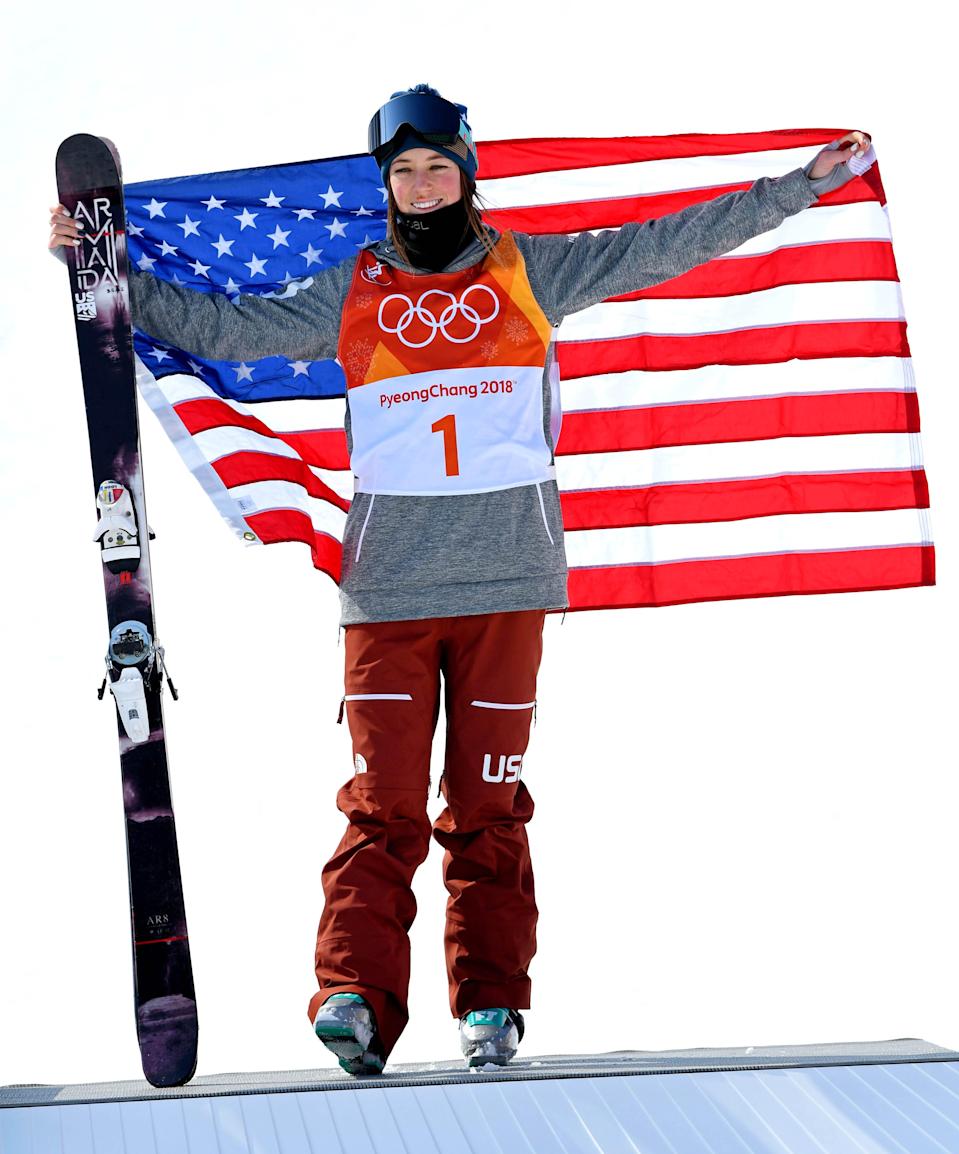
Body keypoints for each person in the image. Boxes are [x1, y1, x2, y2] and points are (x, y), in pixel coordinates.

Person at [49, 86, 875, 1074]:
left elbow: (660, 243)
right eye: (405, 170)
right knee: (382, 802)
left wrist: (794, 189)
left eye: (439, 165)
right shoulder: (353, 286)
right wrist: (103, 270)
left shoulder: (530, 269)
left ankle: (490, 1004)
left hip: (507, 581)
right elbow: (230, 328)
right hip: (390, 590)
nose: (424, 183)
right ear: (386, 183)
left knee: (488, 805)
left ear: (466, 170)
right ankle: (355, 993)